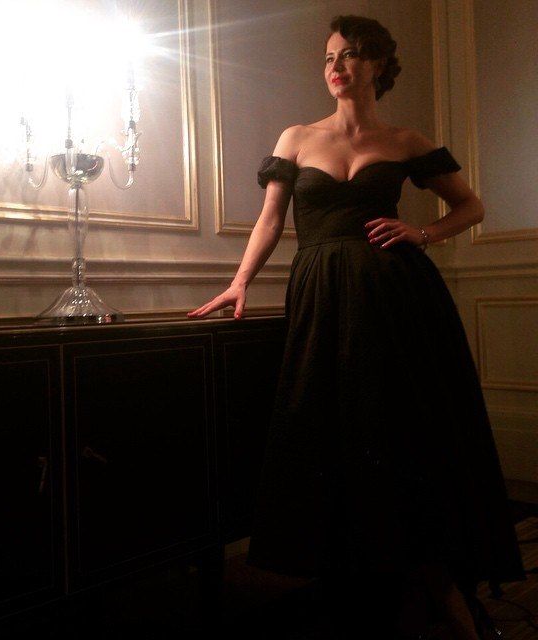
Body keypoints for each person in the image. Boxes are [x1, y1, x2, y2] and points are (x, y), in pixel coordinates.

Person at [187, 14, 526, 640]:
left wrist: (421, 233)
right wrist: (239, 281)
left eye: (349, 55)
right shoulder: (297, 138)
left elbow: (471, 206)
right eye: (329, 58)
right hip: (323, 295)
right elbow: (270, 220)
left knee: (405, 433)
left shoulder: (405, 140)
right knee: (333, 428)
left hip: (399, 300)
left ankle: (437, 584)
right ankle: (360, 586)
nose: (336, 67)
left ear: (378, 65)